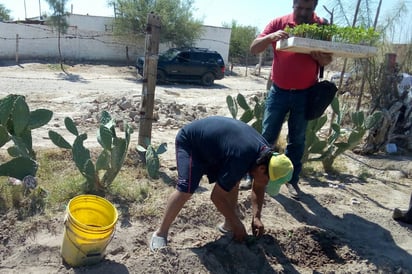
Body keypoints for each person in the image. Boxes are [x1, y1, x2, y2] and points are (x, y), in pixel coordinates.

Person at [149, 116, 294, 251]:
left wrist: (257, 217)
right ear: (262, 169)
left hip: (217, 148)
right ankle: (160, 233)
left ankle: (228, 225)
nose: (266, 184)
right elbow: (216, 197)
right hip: (192, 142)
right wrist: (237, 222)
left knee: (232, 181)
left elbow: (258, 187)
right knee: (186, 188)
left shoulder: (265, 157)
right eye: (269, 181)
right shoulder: (242, 157)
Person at [249, 0, 333, 199]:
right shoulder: (279, 22)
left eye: (308, 9)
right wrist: (271, 36)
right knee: (267, 136)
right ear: (293, 4)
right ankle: (256, 175)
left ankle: (291, 180)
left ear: (315, 7)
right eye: (299, 8)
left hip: (305, 93)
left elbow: (328, 60)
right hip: (278, 91)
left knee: (297, 140)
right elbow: (254, 48)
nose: (303, 12)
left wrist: (320, 57)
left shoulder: (321, 25)